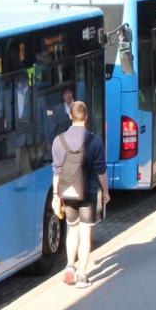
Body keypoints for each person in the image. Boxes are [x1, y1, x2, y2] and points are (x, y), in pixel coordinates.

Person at [51, 99, 108, 288]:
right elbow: (101, 171)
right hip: (87, 193)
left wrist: (55, 196)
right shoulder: (95, 141)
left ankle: (69, 266)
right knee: (85, 233)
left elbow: (56, 172)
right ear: (87, 117)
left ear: (70, 116)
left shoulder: (58, 141)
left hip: (67, 193)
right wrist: (106, 192)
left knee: (72, 228)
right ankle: (82, 275)